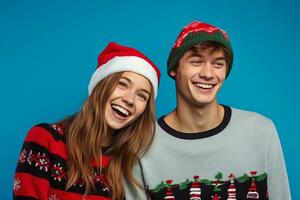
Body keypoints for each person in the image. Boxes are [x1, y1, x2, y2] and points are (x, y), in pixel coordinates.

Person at [124, 21, 291, 200]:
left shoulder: (261, 132)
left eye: (218, 64)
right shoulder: (140, 146)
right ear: (174, 68)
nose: (208, 74)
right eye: (196, 62)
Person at [13, 41, 160, 200]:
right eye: (122, 84)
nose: (129, 99)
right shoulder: (46, 139)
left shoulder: (130, 163)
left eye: (141, 96)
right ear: (100, 86)